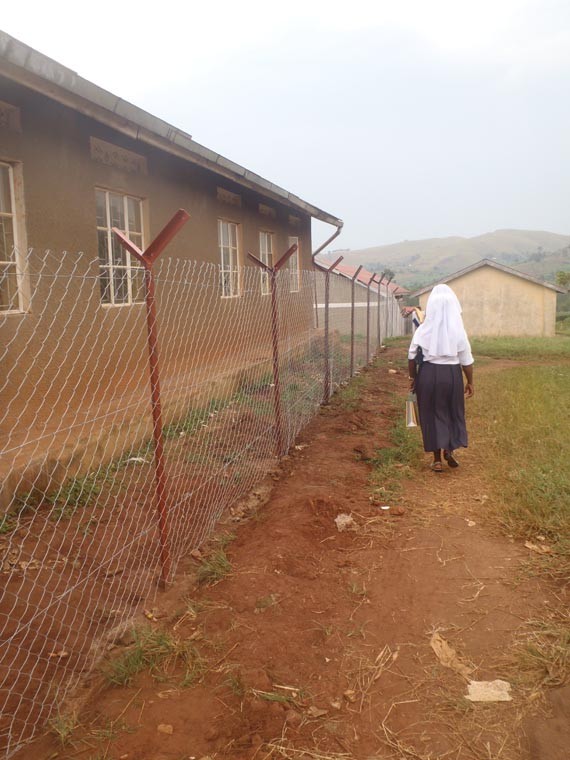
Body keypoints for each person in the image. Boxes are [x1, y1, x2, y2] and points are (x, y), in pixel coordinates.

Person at [407, 284, 474, 472]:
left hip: (427, 375)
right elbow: (466, 361)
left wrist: (413, 378)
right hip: (452, 375)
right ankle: (449, 450)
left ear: (432, 307)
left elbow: (412, 358)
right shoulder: (459, 331)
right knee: (451, 411)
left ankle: (436, 460)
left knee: (430, 414)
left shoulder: (422, 331)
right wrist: (470, 382)